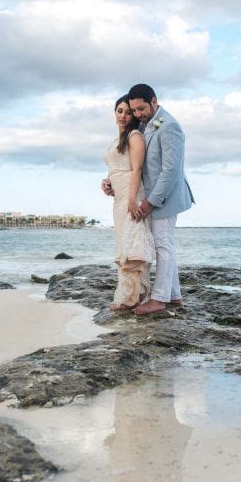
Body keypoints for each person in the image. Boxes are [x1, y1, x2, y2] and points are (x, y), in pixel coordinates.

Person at [103, 84, 195, 316]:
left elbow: (170, 171)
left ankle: (159, 299)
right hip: (151, 195)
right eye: (134, 110)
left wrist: (150, 202)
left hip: (166, 197)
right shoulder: (146, 124)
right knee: (163, 244)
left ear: (154, 101)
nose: (138, 114)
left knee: (163, 245)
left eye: (141, 108)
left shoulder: (170, 126)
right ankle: (174, 295)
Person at [103, 95, 155, 310]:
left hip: (131, 196)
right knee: (123, 243)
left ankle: (131, 298)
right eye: (119, 111)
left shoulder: (135, 137)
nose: (123, 116)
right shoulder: (117, 140)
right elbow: (116, 168)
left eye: (127, 111)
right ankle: (130, 295)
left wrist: (133, 200)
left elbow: (137, 170)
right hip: (119, 197)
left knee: (132, 245)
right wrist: (107, 182)